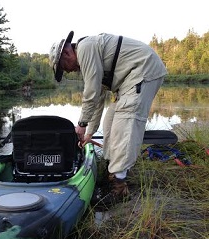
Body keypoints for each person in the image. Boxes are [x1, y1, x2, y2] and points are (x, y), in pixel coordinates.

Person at [49, 31, 167, 203]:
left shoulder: (85, 49)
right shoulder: (90, 58)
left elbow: (91, 92)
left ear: (66, 53)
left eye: (63, 67)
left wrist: (81, 124)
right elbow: (97, 101)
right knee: (109, 121)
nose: (68, 71)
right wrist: (89, 133)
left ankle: (119, 189)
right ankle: (112, 173)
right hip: (129, 80)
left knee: (124, 125)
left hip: (143, 70)